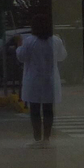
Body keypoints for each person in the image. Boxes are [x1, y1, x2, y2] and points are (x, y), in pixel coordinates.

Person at [16, 13, 66, 148]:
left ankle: (37, 138)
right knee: (49, 109)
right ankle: (47, 138)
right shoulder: (55, 40)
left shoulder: (29, 41)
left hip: (34, 80)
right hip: (50, 80)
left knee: (35, 110)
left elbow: (21, 57)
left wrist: (19, 46)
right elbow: (62, 56)